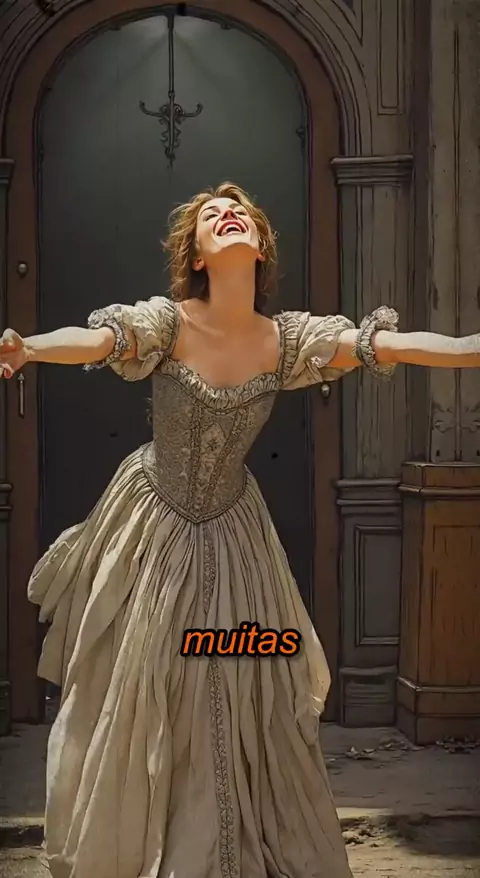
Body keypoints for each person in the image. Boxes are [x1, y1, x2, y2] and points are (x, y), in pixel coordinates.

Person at [0, 182, 479, 878]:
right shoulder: (167, 323)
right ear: (195, 254)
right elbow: (102, 339)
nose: (227, 215)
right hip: (153, 523)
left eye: (240, 212)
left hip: (234, 532)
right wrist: (29, 348)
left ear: (259, 245)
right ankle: (150, 846)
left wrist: (468, 349)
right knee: (147, 683)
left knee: (243, 670)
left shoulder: (287, 341)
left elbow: (391, 346)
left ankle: (227, 845)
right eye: (210, 215)